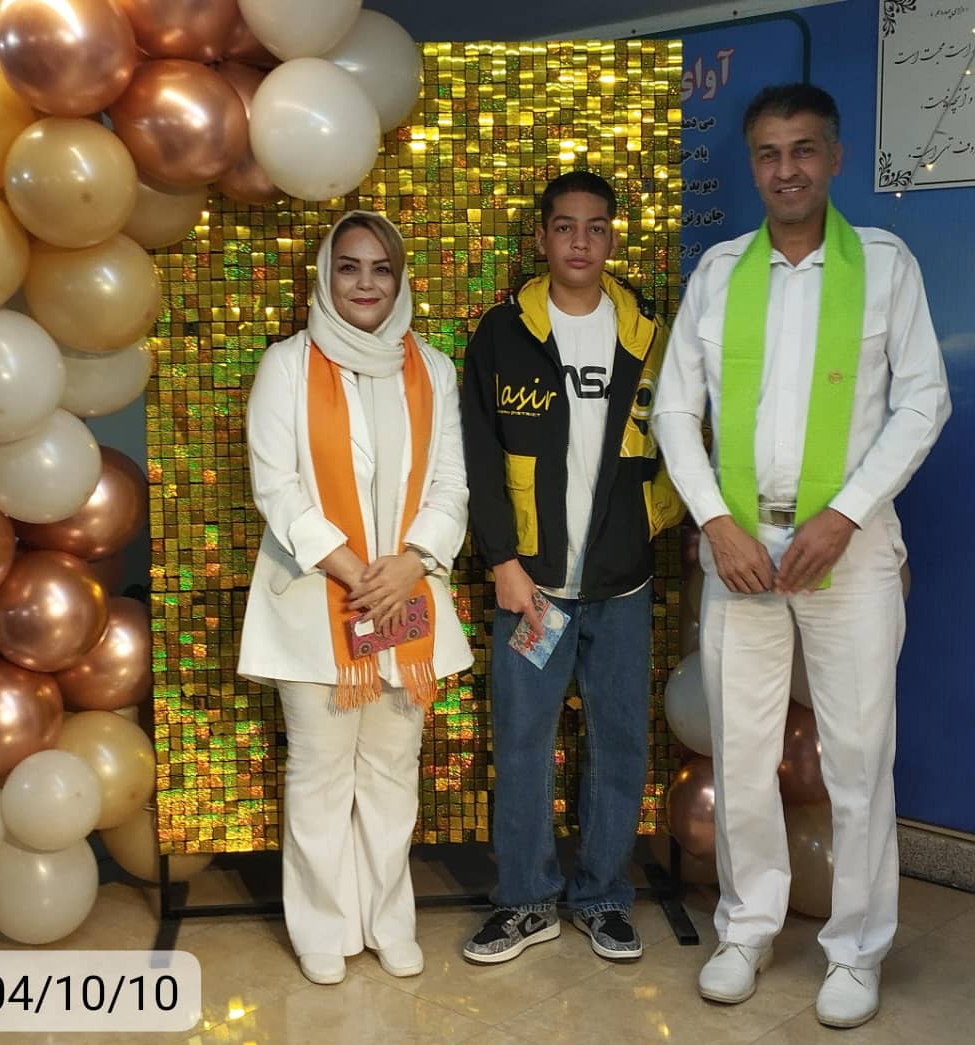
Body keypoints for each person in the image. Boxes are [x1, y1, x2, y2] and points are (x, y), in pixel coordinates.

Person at [653, 84, 951, 1028]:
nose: (786, 170)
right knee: (742, 751)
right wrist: (714, 521)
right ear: (754, 165)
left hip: (848, 554)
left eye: (803, 150)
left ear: (834, 157)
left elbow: (925, 400)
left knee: (859, 758)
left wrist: (847, 514)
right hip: (739, 549)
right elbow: (673, 409)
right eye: (769, 153)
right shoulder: (719, 272)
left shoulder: (885, 267)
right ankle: (746, 928)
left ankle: (856, 950)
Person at [238, 211, 473, 986]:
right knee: (319, 770)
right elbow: (277, 486)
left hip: (407, 597)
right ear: (325, 275)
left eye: (381, 268)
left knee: (393, 768)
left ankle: (388, 921)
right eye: (349, 266)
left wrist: (411, 561)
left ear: (400, 279)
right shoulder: (286, 365)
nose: (365, 283)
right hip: (316, 603)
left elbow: (452, 483)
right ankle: (322, 926)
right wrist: (353, 568)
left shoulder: (433, 369)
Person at [460, 171, 684, 965]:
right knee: (522, 743)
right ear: (542, 238)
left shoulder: (648, 333)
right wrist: (503, 561)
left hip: (623, 583)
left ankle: (602, 897)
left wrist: (654, 525)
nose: (580, 241)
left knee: (620, 742)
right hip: (533, 588)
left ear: (612, 237)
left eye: (595, 227)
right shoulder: (502, 334)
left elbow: (682, 436)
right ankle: (526, 900)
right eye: (565, 227)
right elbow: (479, 459)